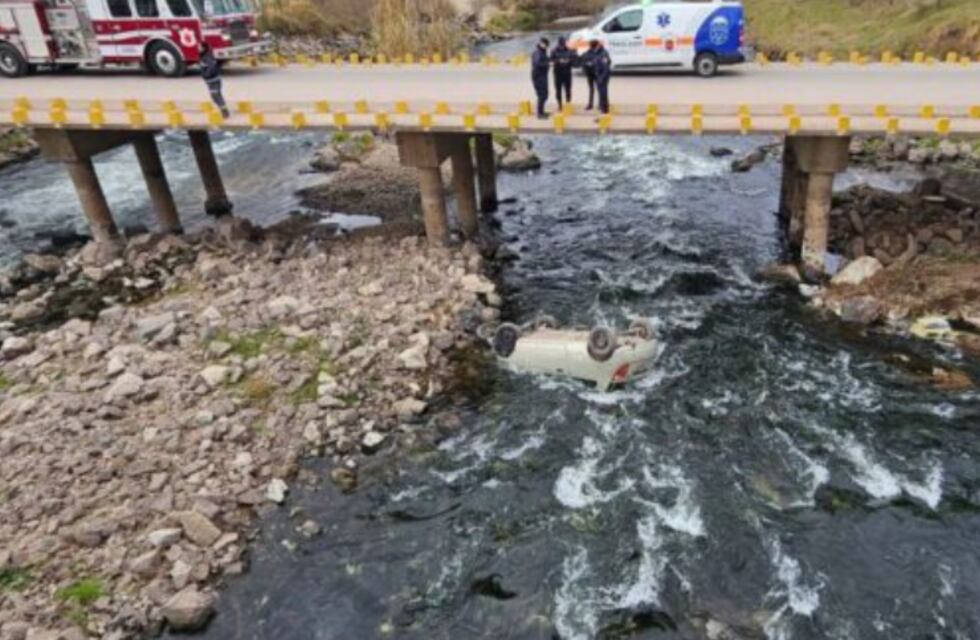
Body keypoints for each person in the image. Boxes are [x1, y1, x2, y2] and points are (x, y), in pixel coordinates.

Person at [199, 43, 230, 119]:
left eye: (199, 47)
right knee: (217, 95)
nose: (198, 48)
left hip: (213, 80)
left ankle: (224, 112)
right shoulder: (206, 55)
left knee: (215, 96)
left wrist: (206, 75)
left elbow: (211, 67)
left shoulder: (206, 57)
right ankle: (224, 110)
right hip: (213, 80)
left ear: (203, 48)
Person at [550, 36, 575, 111]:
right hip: (558, 73)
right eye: (561, 44)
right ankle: (560, 105)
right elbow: (551, 60)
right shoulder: (554, 50)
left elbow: (573, 60)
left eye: (564, 44)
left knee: (568, 90)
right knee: (558, 90)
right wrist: (558, 61)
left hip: (567, 73)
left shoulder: (569, 50)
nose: (563, 46)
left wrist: (569, 61)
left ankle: (568, 104)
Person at [531, 37, 551, 119]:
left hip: (543, 75)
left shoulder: (543, 52)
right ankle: (539, 114)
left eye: (546, 44)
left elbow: (544, 60)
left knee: (545, 94)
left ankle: (542, 111)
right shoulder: (537, 53)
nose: (545, 46)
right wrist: (548, 64)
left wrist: (549, 60)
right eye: (544, 44)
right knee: (542, 95)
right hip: (538, 76)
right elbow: (537, 63)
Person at [592, 40, 613, 115]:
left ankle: (605, 111)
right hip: (599, 76)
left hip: (603, 76)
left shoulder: (603, 54)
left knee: (603, 93)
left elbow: (606, 67)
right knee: (601, 94)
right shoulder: (597, 53)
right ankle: (602, 109)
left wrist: (601, 78)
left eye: (597, 45)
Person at [580, 41, 599, 111]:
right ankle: (599, 104)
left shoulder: (586, 53)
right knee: (598, 89)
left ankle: (590, 104)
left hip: (590, 74)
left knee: (591, 90)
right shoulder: (598, 53)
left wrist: (586, 71)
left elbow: (583, 63)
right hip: (596, 74)